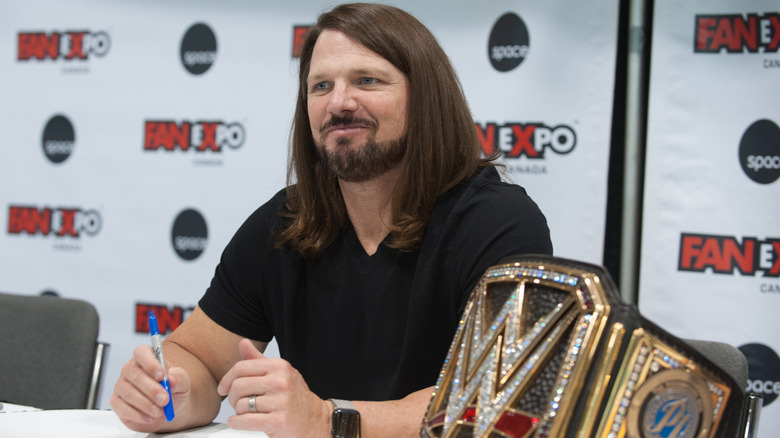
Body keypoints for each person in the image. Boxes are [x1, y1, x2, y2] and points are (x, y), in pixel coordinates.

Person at [110, 3, 552, 437]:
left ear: (425, 99)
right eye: (320, 86)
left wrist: (327, 420)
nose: (339, 103)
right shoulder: (285, 220)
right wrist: (169, 395)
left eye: (367, 80)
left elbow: (501, 403)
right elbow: (199, 359)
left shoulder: (498, 222)